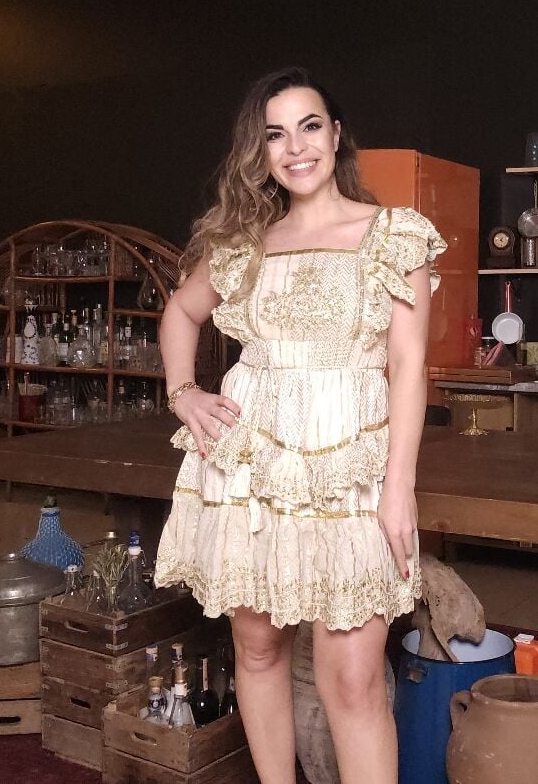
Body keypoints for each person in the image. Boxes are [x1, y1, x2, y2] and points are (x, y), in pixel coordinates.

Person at [153, 66, 446, 783]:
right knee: (257, 650)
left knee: (353, 679)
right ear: (260, 152)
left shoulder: (392, 235)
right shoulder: (242, 243)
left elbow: (408, 367)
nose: (296, 147)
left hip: (350, 465)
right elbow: (181, 311)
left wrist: (398, 488)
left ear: (336, 135)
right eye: (275, 135)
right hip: (251, 463)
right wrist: (183, 392)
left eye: (310, 126)